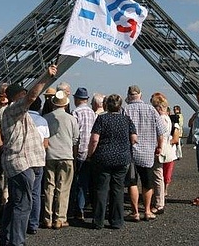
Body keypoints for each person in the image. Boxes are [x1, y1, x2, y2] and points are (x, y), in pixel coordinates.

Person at [0, 65, 57, 246]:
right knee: (23, 206)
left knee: (15, 204)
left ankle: (7, 239)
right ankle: (17, 243)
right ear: (17, 97)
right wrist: (46, 77)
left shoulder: (14, 112)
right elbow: (32, 96)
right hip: (21, 163)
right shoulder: (14, 110)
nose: (27, 96)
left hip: (21, 162)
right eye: (23, 93)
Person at [87, 94, 137, 230]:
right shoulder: (126, 120)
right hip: (122, 158)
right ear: (120, 106)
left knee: (102, 189)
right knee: (118, 189)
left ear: (106, 105)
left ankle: (98, 221)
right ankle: (117, 221)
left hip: (103, 158)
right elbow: (134, 138)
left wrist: (90, 154)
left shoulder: (101, 119)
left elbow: (94, 139)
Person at [124, 85, 166, 222]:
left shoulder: (126, 110)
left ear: (129, 96)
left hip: (131, 152)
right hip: (148, 152)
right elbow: (161, 131)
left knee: (132, 183)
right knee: (148, 183)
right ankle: (147, 211)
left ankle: (135, 212)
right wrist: (159, 147)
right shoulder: (151, 109)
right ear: (140, 95)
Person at [43, 90, 79, 229]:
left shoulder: (46, 118)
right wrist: (74, 157)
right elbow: (75, 140)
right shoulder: (71, 119)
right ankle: (60, 218)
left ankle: (47, 217)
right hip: (66, 154)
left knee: (49, 187)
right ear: (65, 104)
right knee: (63, 188)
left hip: (50, 155)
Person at [70, 87, 96, 220]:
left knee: (75, 181)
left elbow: (74, 133)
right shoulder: (92, 112)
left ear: (76, 99)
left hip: (78, 149)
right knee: (85, 182)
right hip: (90, 150)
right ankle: (82, 207)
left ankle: (74, 208)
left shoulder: (75, 112)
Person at [27, 97, 50, 234]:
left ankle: (21, 222)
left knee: (22, 193)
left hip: (24, 159)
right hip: (38, 160)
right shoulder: (43, 121)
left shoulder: (22, 119)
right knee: (35, 193)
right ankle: (33, 223)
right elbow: (46, 144)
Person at [149, 92, 175, 215]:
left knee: (158, 176)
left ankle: (159, 204)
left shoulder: (161, 119)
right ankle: (158, 201)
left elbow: (159, 135)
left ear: (158, 107)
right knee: (160, 177)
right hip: (165, 148)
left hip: (160, 150)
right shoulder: (168, 119)